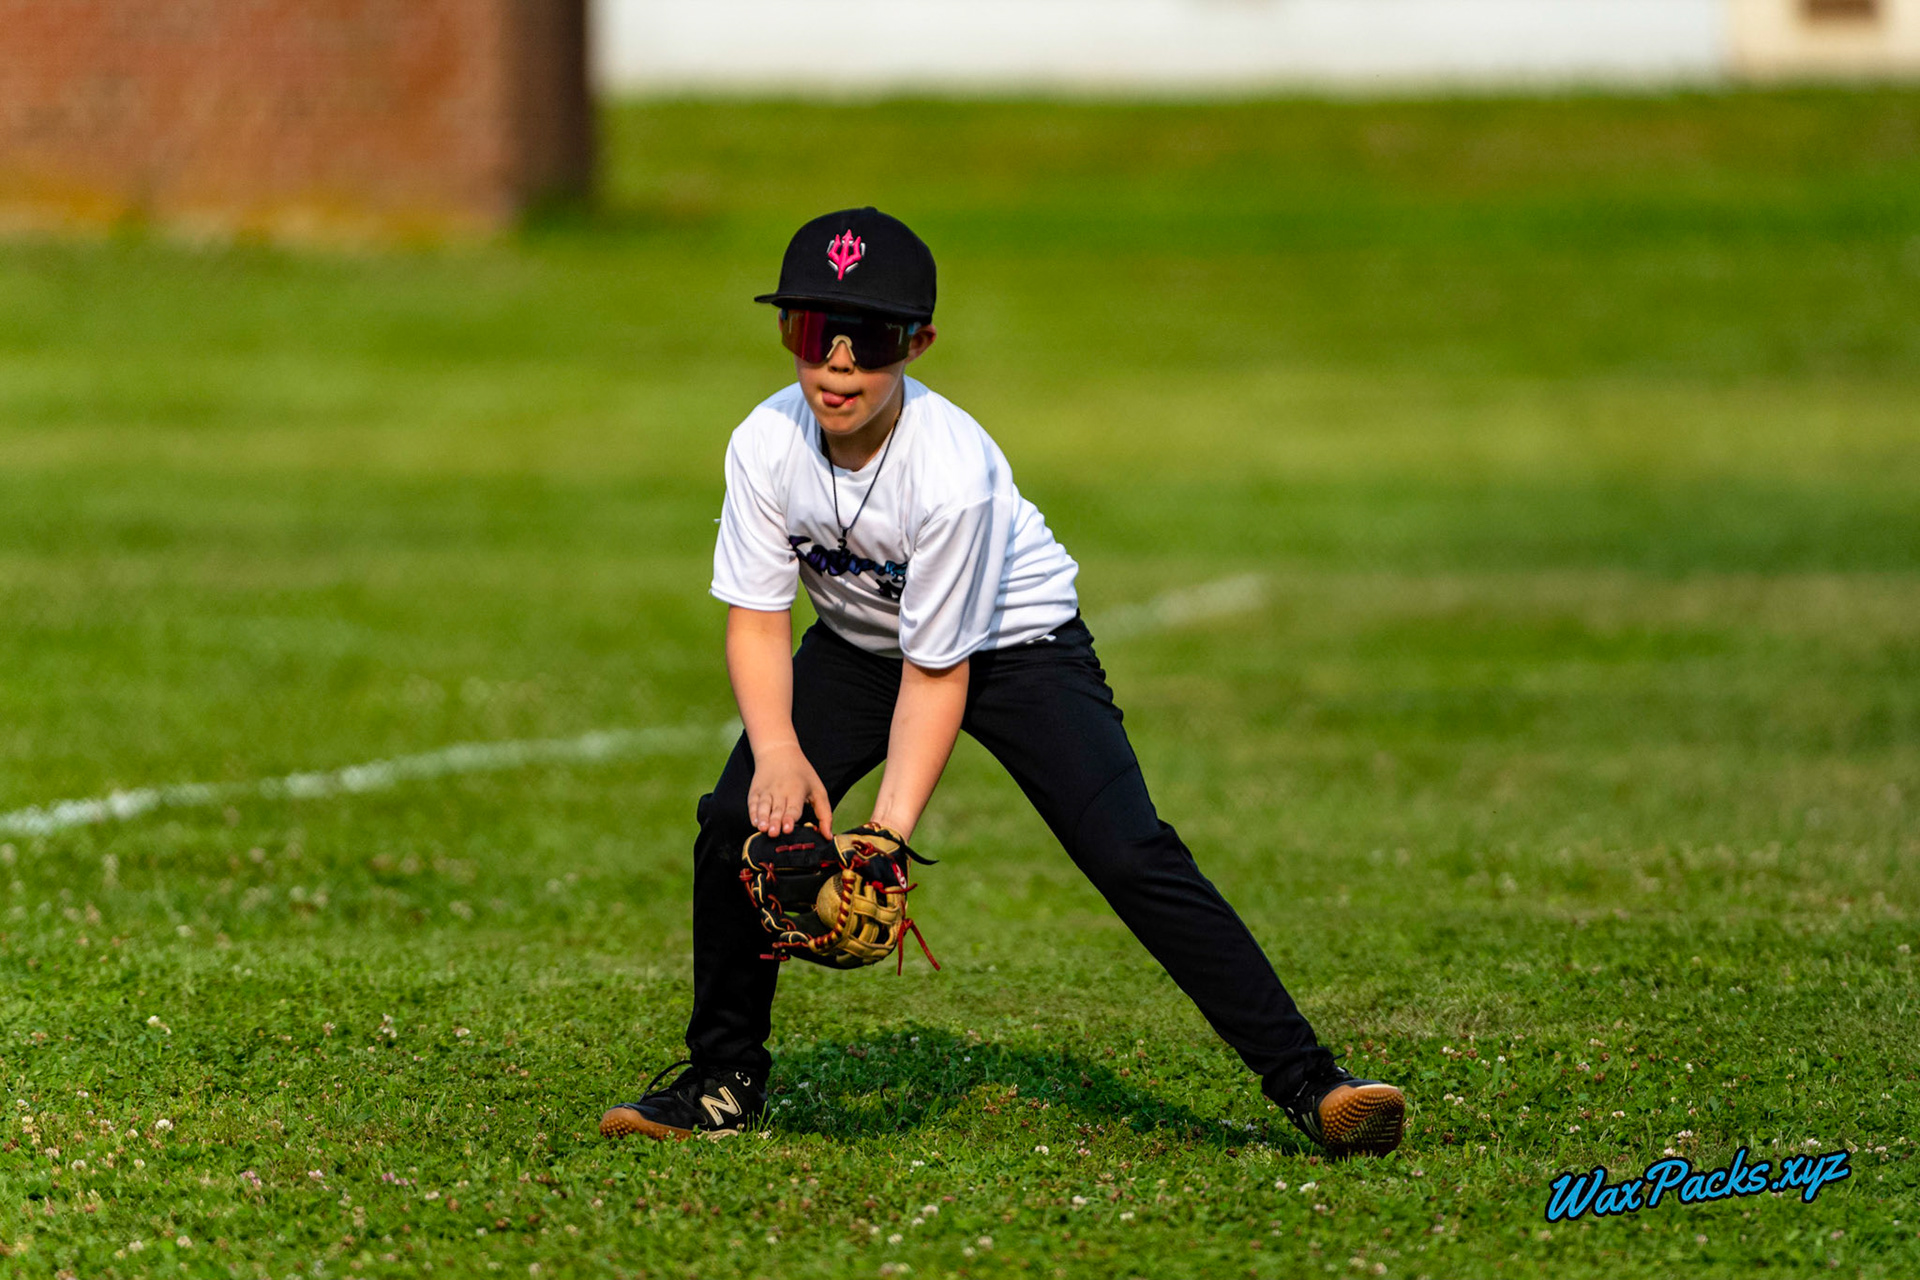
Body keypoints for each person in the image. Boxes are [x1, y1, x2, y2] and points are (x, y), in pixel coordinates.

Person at [596, 207, 1406, 1157]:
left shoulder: (954, 472)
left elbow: (941, 673)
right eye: (818, 333)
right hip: (860, 647)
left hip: (1018, 649)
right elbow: (757, 614)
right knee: (736, 820)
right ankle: (722, 1081)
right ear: (788, 335)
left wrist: (888, 837)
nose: (841, 364)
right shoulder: (764, 443)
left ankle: (1315, 1086)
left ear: (920, 344)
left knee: (1129, 851)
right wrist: (776, 752)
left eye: (875, 338)